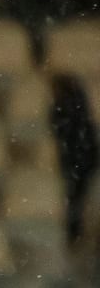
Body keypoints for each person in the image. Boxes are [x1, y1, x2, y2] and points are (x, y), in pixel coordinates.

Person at [50, 73, 97, 245]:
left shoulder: (69, 108)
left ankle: (75, 233)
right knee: (77, 198)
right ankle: (74, 233)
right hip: (79, 160)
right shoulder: (77, 107)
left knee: (77, 198)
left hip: (77, 160)